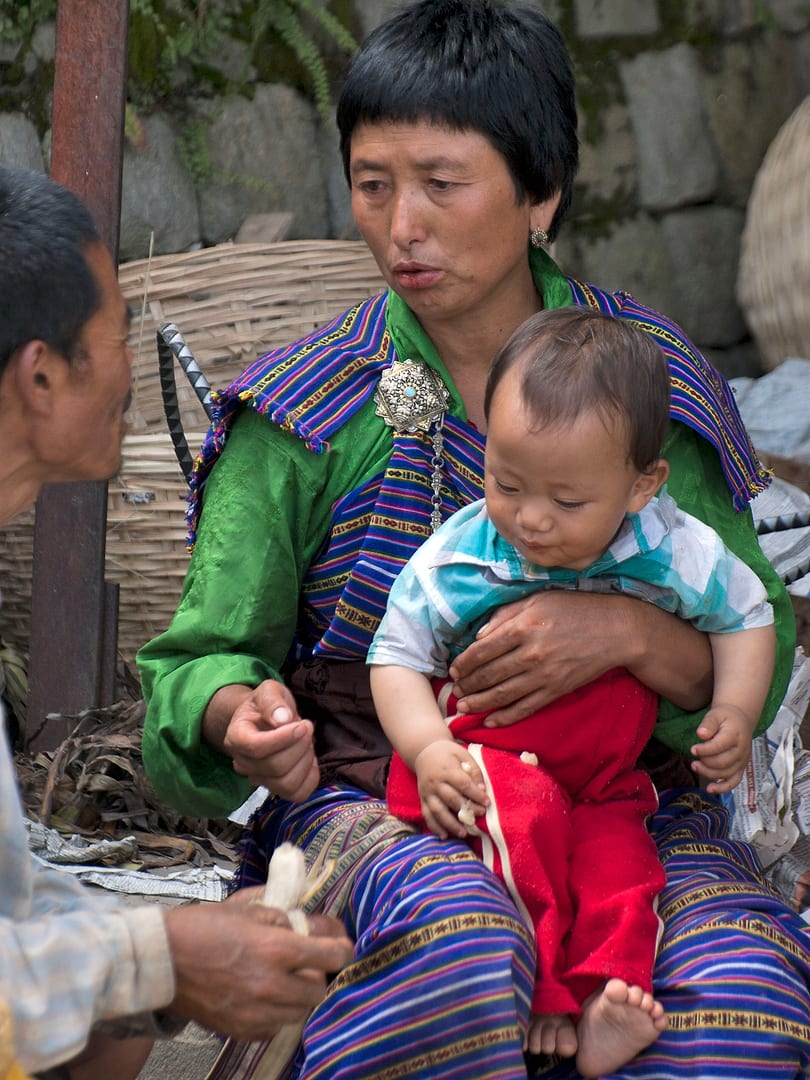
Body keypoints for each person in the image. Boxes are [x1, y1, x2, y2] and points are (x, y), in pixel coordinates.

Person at [138, 1, 810, 1077]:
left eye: (442, 184)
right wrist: (237, 714)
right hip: (385, 801)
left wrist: (628, 634)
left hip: (631, 809)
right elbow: (196, 661)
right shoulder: (304, 413)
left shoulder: (656, 398)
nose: (402, 225)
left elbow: (750, 657)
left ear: (540, 195)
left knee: (741, 995)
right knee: (461, 941)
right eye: (372, 184)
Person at [0, 163, 354, 1080]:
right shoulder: (300, 414)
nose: (131, 360)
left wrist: (158, 954)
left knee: (110, 1031)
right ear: (42, 375)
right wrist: (161, 959)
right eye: (118, 333)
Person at [369, 306, 776, 1075]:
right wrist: (426, 749)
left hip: (606, 783)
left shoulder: (671, 546)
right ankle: (543, 994)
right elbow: (394, 652)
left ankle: (605, 999)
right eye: (506, 482)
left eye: (567, 501)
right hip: (485, 766)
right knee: (521, 842)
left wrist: (734, 711)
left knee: (626, 874)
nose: (531, 520)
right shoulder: (465, 556)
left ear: (640, 485)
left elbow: (748, 615)